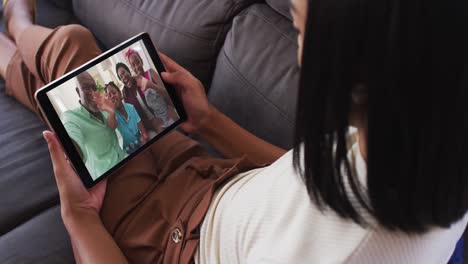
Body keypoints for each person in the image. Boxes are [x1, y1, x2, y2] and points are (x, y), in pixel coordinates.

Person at [0, 0, 467, 263]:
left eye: (299, 31)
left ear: (356, 74)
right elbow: (305, 180)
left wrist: (79, 217)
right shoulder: (425, 145)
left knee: (72, 50)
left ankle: (16, 24)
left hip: (167, 237)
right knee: (69, 85)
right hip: (213, 179)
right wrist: (211, 123)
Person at [61, 71, 127, 179]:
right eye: (86, 88)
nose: (92, 93)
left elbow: (113, 126)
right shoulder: (71, 117)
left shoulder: (103, 106)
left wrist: (112, 113)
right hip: (106, 177)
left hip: (124, 158)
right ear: (78, 92)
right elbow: (74, 145)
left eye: (94, 87)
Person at [125, 48, 179, 129]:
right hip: (158, 118)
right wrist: (124, 90)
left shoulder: (151, 72)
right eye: (133, 65)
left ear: (141, 61)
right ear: (132, 68)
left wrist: (151, 85)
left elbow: (167, 93)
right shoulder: (137, 85)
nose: (137, 66)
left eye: (137, 62)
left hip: (168, 110)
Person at [115, 62, 165, 133]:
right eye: (121, 76)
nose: (124, 77)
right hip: (147, 127)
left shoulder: (140, 80)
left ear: (128, 71)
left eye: (124, 73)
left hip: (159, 116)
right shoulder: (126, 95)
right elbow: (134, 117)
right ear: (121, 80)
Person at [105, 81, 148, 154]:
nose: (112, 96)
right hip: (128, 150)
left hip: (140, 142)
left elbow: (143, 131)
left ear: (120, 93)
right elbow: (111, 126)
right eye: (109, 95)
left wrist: (144, 139)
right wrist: (112, 110)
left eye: (114, 93)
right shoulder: (112, 116)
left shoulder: (131, 107)